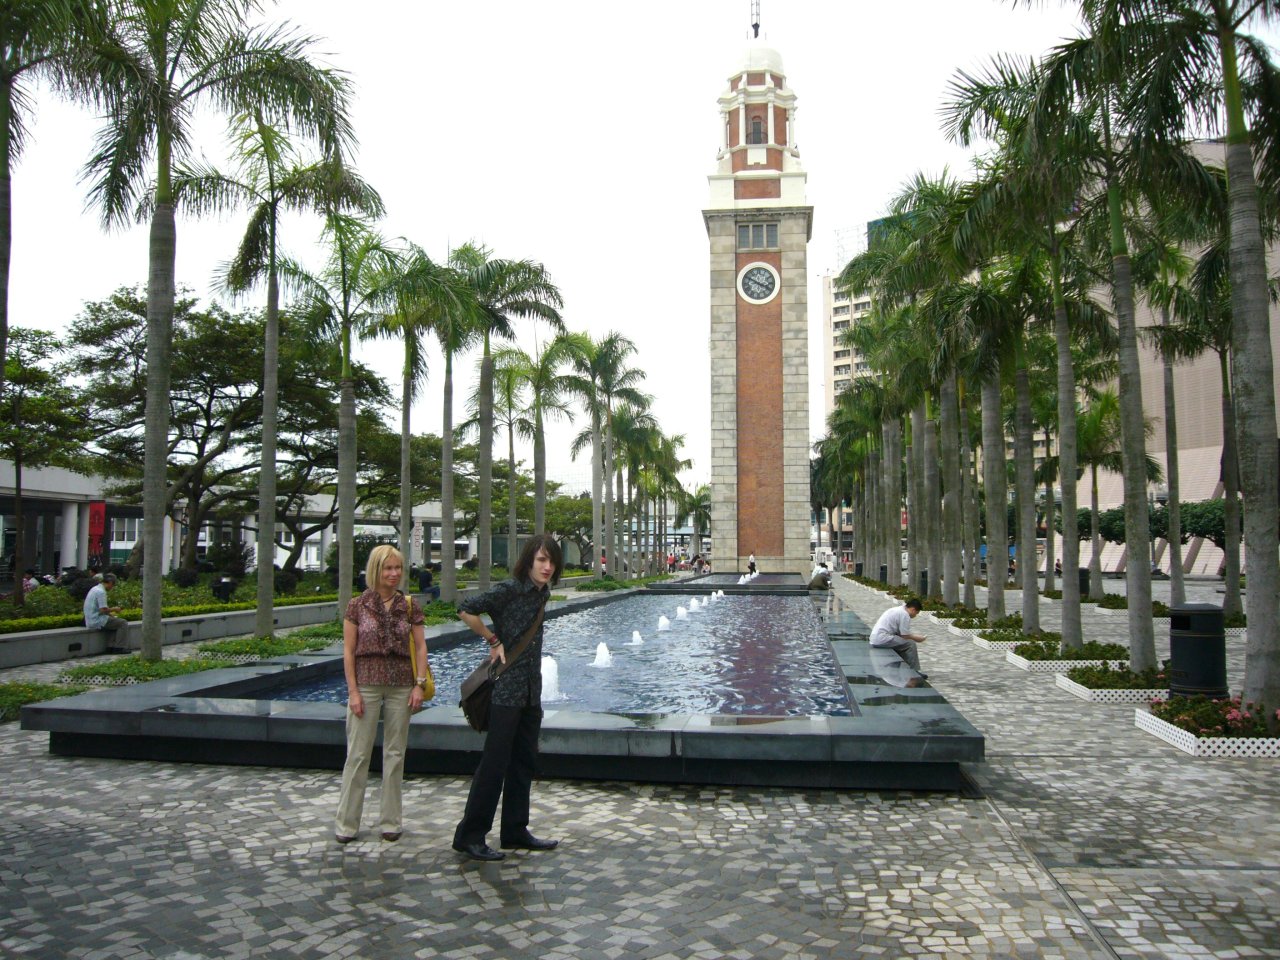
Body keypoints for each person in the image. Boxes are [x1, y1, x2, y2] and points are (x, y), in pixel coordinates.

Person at [452, 533, 563, 862]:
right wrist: (492, 638)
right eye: (542, 560)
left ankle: (515, 830)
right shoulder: (510, 589)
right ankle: (469, 835)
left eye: (552, 561)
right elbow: (465, 608)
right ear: (529, 559)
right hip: (506, 690)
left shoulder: (543, 592)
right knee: (494, 763)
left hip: (531, 690)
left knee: (523, 761)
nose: (547, 567)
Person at [334, 545, 428, 845]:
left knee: (395, 753)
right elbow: (348, 651)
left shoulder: (409, 606)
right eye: (388, 568)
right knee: (358, 755)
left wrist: (419, 684)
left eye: (398, 568)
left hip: (402, 684)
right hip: (366, 683)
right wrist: (353, 691)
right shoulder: (357, 606)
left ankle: (391, 821)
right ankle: (347, 823)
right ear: (376, 569)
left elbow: (421, 646)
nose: (394, 574)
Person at [870, 597, 928, 677]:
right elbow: (905, 635)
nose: (915, 615)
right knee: (910, 644)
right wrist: (918, 638)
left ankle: (904, 669)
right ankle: (914, 672)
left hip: (876, 637)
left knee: (902, 644)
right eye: (916, 613)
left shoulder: (898, 609)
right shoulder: (905, 614)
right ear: (913, 610)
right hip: (882, 638)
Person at [83, 572, 130, 652]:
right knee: (123, 623)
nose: (112, 588)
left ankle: (110, 646)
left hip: (89, 619)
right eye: (113, 585)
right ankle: (120, 647)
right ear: (110, 583)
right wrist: (114, 609)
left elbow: (102, 610)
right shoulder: (101, 592)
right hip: (96, 620)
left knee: (114, 622)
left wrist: (110, 614)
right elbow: (103, 610)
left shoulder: (94, 589)